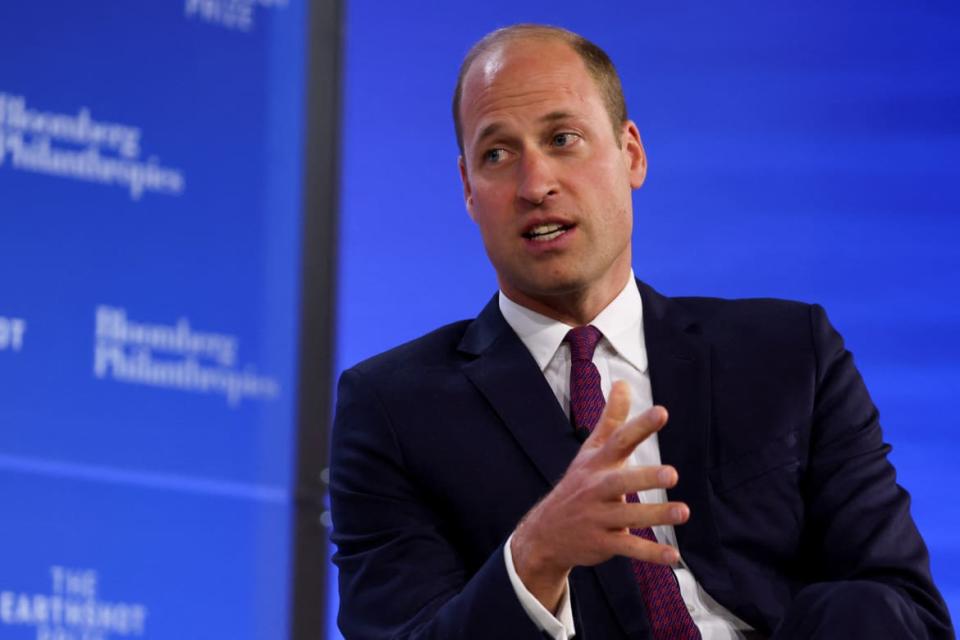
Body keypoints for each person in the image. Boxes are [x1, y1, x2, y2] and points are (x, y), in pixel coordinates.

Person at [329, 24, 954, 639]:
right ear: (468, 187)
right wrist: (535, 555)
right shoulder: (392, 410)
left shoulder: (789, 351)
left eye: (563, 138)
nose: (535, 184)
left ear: (631, 153)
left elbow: (903, 604)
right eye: (497, 154)